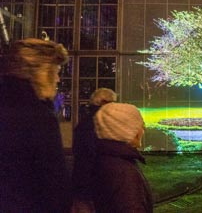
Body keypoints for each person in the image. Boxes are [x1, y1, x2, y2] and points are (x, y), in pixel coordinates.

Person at [0, 38, 71, 212]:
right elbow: (52, 186)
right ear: (41, 72)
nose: (58, 79)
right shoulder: (37, 117)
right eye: (56, 71)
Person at [93, 102, 153, 212]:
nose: (144, 127)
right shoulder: (124, 173)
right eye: (140, 123)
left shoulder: (105, 159)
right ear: (128, 131)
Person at [72, 88, 117, 213]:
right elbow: (92, 154)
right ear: (103, 102)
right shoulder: (97, 124)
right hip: (91, 184)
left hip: (83, 182)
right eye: (112, 102)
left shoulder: (86, 122)